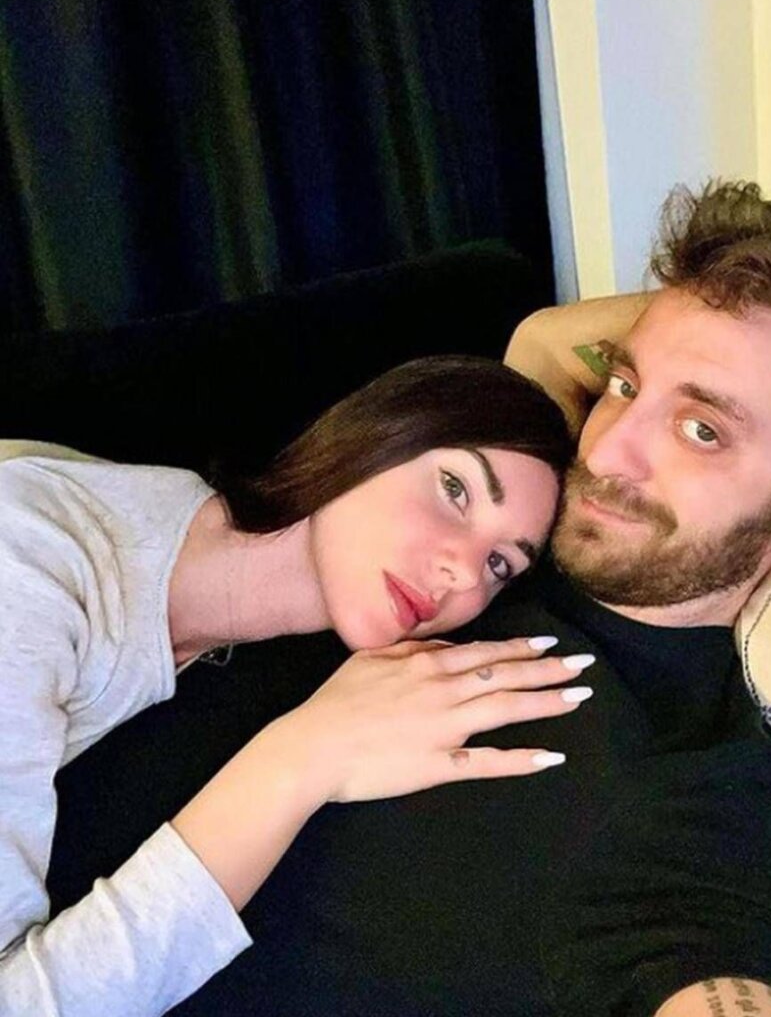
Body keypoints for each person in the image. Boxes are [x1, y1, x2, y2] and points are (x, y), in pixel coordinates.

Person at [43, 181, 771, 1017]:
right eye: (625, 387)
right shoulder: (496, 507)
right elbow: (543, 341)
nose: (608, 452)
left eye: (703, 431)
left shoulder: (707, 793)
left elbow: (734, 960)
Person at [0, 355, 596, 1016]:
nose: (463, 573)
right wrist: (303, 758)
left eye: (500, 564)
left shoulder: (197, 601)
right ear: (372, 435)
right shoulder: (27, 568)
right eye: (455, 490)